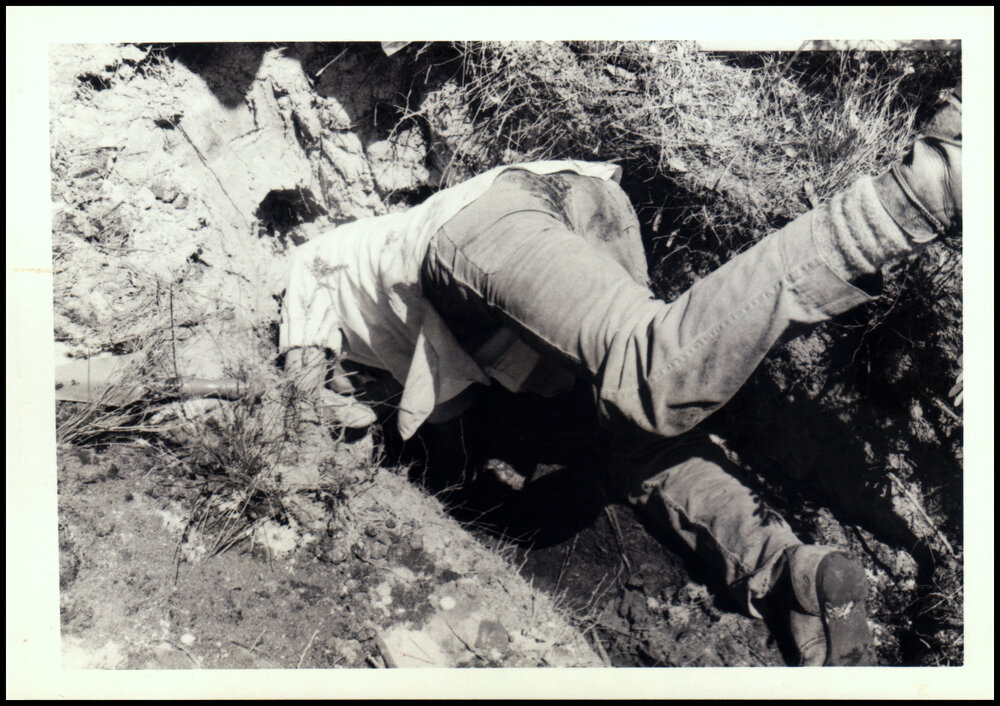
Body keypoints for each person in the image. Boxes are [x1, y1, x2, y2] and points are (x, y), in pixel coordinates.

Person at [279, 85, 961, 666]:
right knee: (640, 435)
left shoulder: (298, 285)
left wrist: (445, 497)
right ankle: (794, 575)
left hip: (481, 232)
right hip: (579, 204)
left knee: (648, 372)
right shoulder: (367, 298)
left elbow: (325, 413)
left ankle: (913, 192)